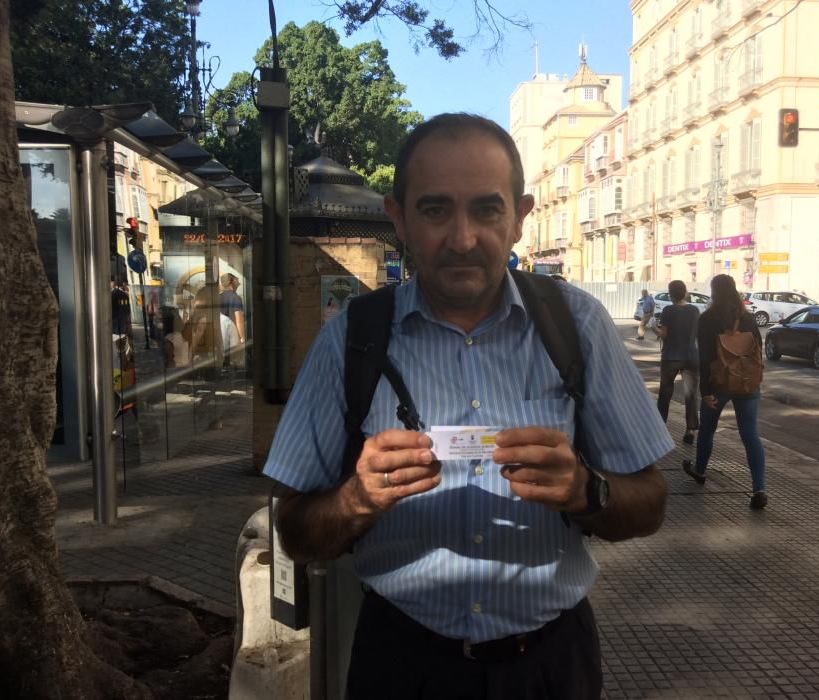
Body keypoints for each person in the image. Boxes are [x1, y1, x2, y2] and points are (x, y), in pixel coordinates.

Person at [262, 113, 673, 700]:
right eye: (434, 210)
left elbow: (651, 502)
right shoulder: (351, 340)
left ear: (520, 217)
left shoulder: (576, 326)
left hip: (551, 668)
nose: (462, 238)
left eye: (486, 209)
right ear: (398, 217)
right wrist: (356, 501)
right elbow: (295, 531)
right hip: (400, 666)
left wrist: (587, 489)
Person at [682, 274, 767, 510]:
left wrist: (705, 390)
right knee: (750, 435)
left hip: (718, 383)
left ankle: (700, 471)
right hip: (747, 383)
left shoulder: (708, 319)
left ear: (714, 292)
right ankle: (759, 488)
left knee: (708, 430)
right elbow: (758, 350)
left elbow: (706, 355)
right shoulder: (748, 319)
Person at [656, 280, 700, 445]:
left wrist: (656, 329)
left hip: (671, 357)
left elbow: (665, 335)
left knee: (665, 393)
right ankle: (690, 429)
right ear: (685, 292)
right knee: (691, 395)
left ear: (670, 293)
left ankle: (660, 427)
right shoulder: (694, 310)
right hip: (691, 357)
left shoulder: (668, 310)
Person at [219, 272, 246, 346]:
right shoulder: (235, 297)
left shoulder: (219, 297)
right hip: (233, 337)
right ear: (231, 281)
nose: (238, 282)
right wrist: (242, 338)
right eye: (236, 279)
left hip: (221, 336)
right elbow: (239, 320)